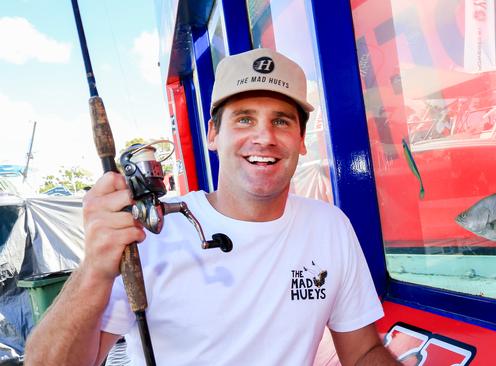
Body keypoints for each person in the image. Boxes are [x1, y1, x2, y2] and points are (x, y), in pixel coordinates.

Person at [24, 48, 399, 365]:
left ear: (301, 140)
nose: (264, 137)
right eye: (245, 118)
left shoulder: (330, 226)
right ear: (213, 134)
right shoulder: (149, 236)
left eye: (281, 121)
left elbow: (363, 351)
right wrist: (94, 269)